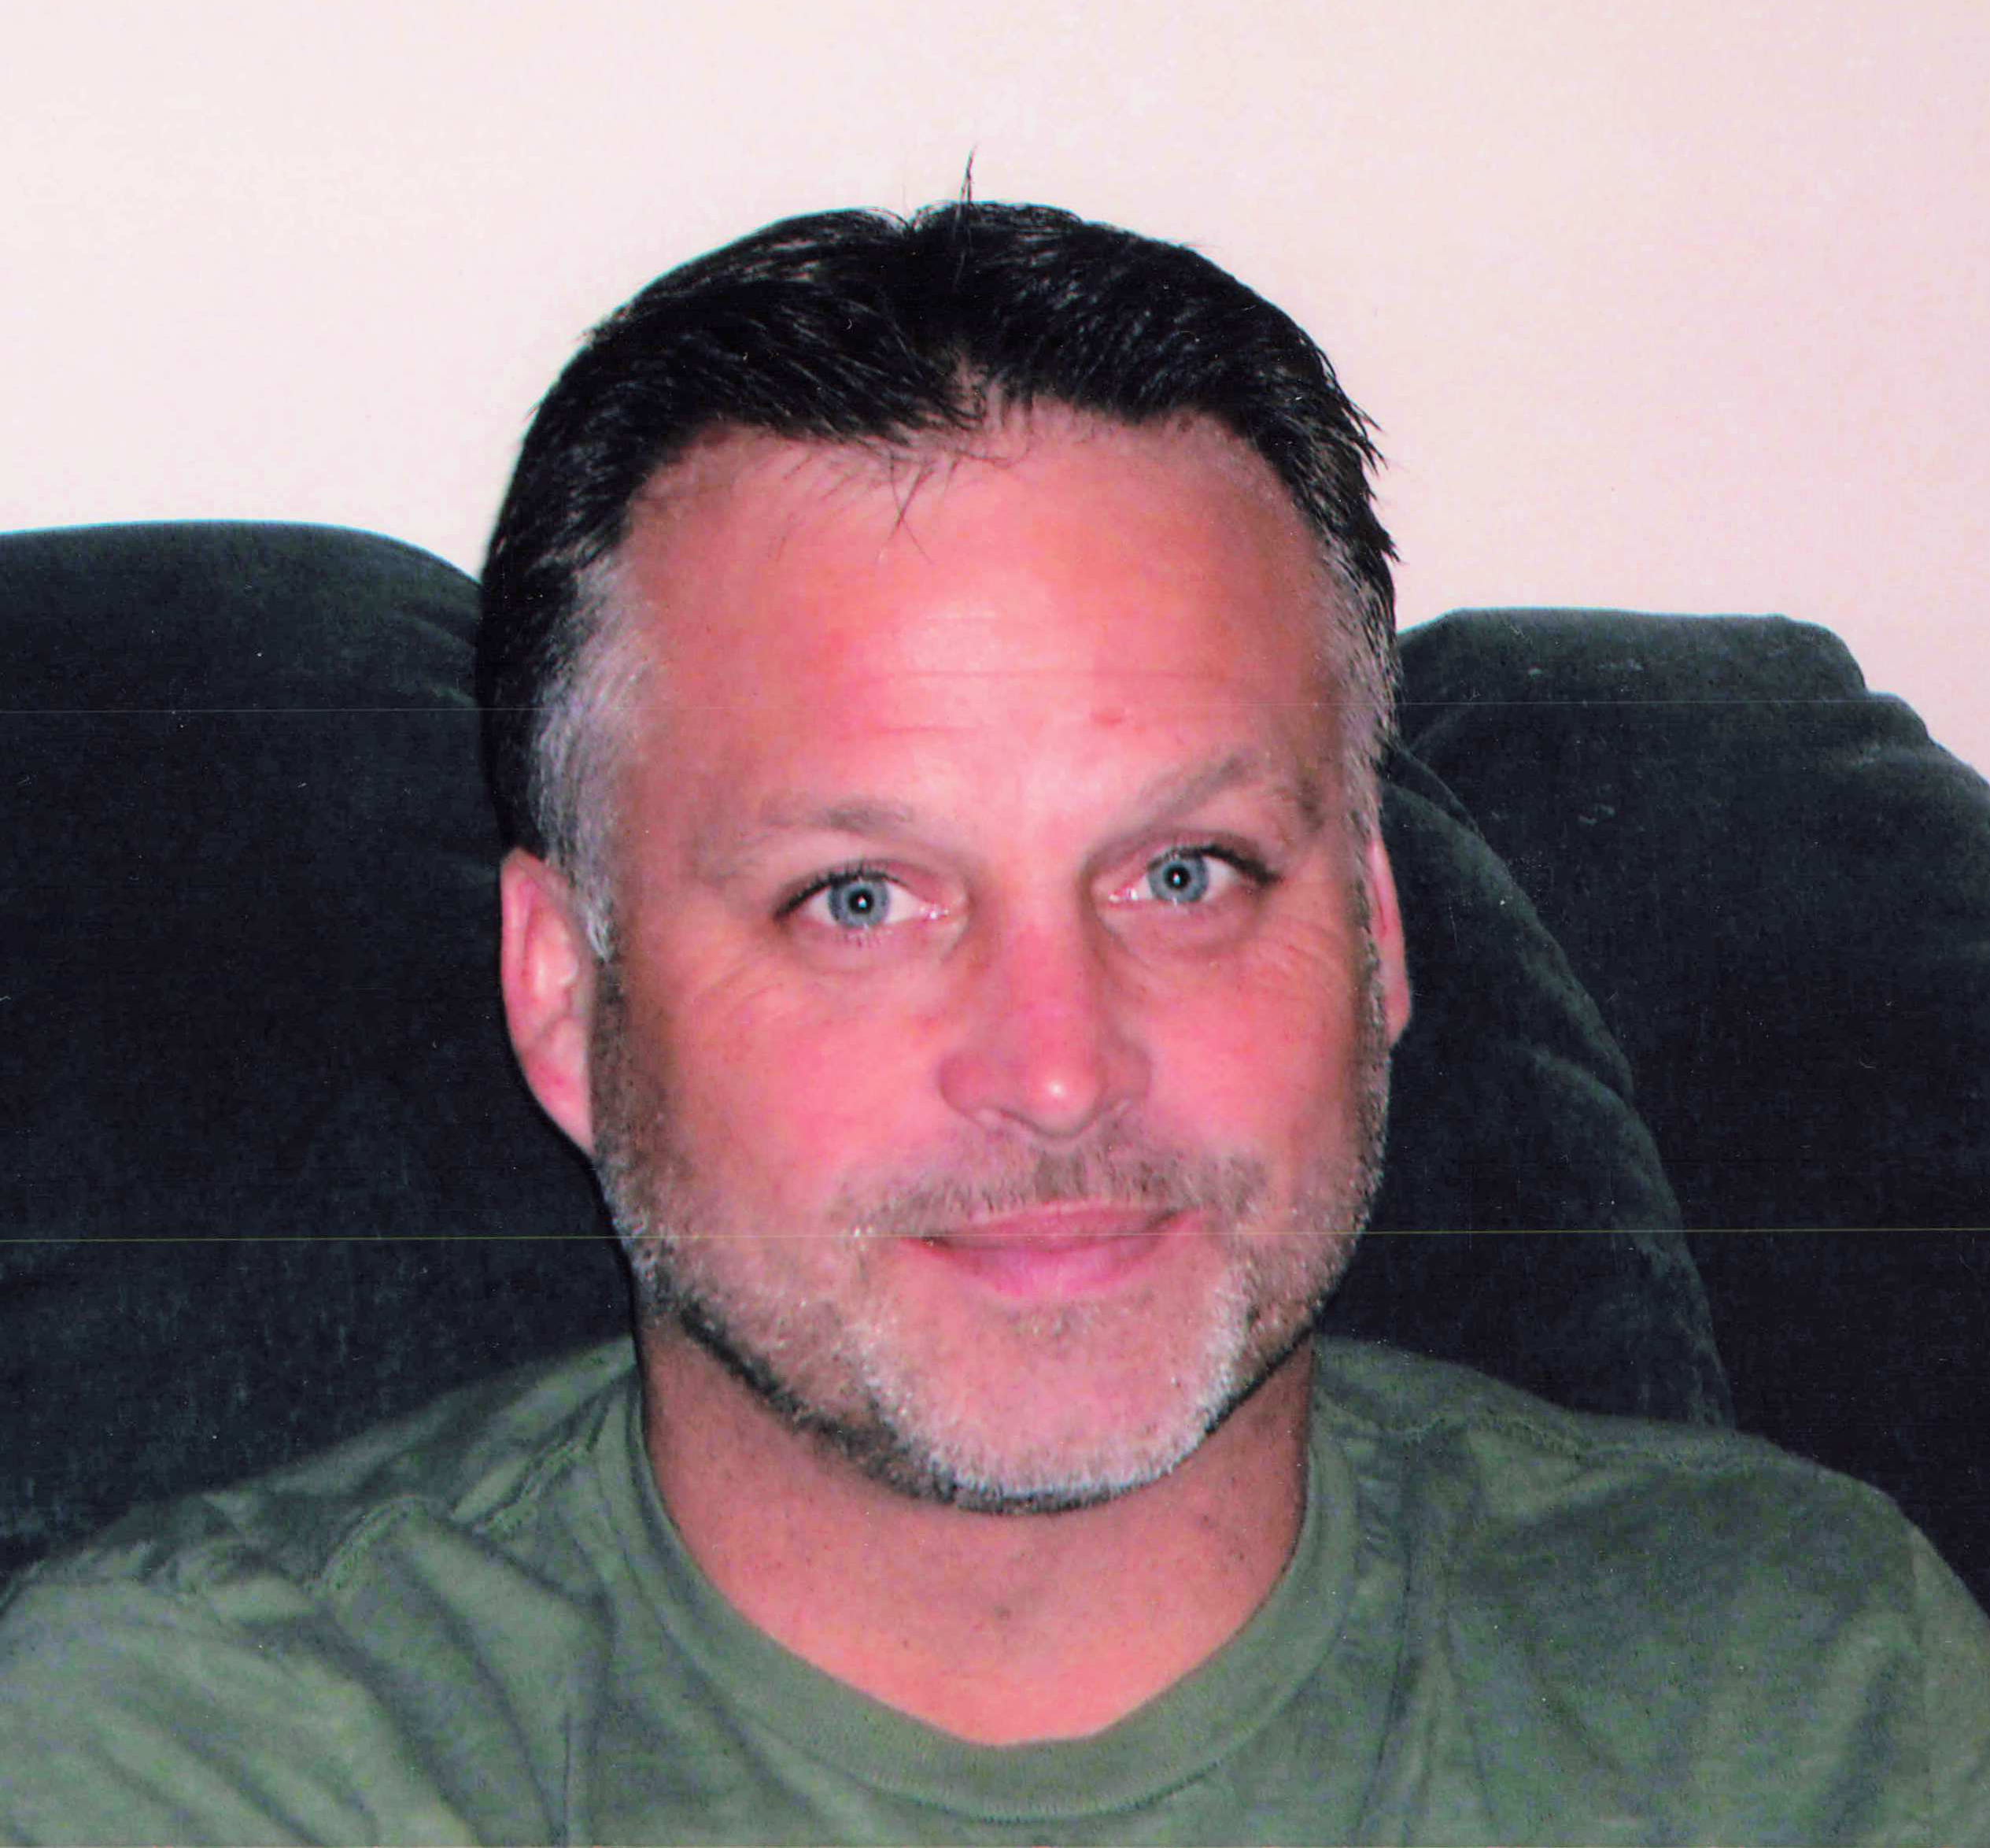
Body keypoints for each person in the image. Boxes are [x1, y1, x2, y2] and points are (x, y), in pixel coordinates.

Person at [3, 201, 1987, 1844]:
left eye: (1184, 873)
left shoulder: (1804, 1701)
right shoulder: (197, 1766)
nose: (1057, 1069)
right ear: (563, 996)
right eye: (860, 899)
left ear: (1376, 934)